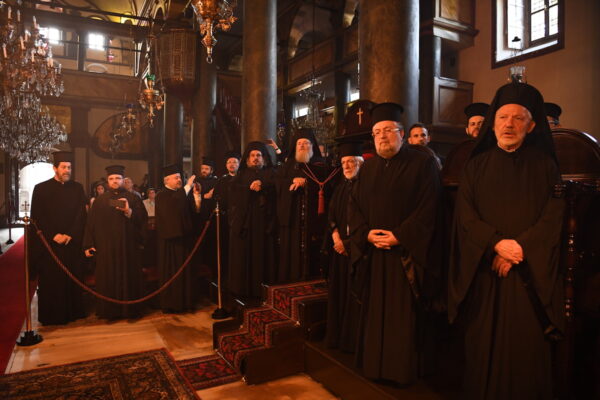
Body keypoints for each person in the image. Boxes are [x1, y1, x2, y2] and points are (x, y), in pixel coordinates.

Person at [448, 82, 565, 399]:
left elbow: (553, 215)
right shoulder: (475, 166)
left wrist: (520, 247)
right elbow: (466, 216)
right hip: (486, 270)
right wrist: (497, 245)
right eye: (502, 117)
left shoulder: (546, 166)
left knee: (526, 344)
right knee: (482, 340)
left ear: (532, 125)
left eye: (518, 118)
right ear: (492, 123)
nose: (509, 124)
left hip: (529, 273)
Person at [348, 102, 441, 385]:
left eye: (388, 130)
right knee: (375, 313)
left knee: (402, 316)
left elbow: (430, 207)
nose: (382, 137)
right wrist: (366, 234)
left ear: (401, 133)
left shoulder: (423, 163)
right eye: (377, 132)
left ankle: (400, 372)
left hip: (406, 255)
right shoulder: (368, 168)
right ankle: (374, 366)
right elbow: (355, 207)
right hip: (374, 255)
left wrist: (400, 235)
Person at [30, 151, 87, 325]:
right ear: (55, 168)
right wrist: (53, 235)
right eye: (63, 167)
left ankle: (74, 313)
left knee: (72, 278)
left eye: (69, 167)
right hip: (51, 244)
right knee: (52, 281)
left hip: (71, 243)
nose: (67, 170)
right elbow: (37, 217)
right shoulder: (41, 189)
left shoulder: (78, 188)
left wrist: (70, 234)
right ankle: (53, 316)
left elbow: (81, 215)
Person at [83, 165, 148, 320]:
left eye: (118, 178)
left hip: (128, 248)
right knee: (108, 278)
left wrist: (128, 211)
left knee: (128, 278)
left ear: (123, 180)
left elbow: (142, 220)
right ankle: (109, 312)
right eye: (111, 178)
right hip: (106, 249)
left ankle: (130, 311)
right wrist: (88, 244)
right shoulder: (100, 201)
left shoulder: (133, 198)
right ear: (107, 181)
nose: (114, 181)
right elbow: (90, 223)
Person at [276, 128, 339, 282]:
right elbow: (277, 184)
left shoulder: (321, 164)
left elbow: (329, 187)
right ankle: (291, 278)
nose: (303, 146)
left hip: (314, 218)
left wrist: (307, 182)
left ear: (312, 146)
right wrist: (292, 181)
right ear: (295, 146)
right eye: (300, 143)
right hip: (293, 217)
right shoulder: (288, 165)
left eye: (306, 143)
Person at [324, 141, 363, 352]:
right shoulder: (341, 188)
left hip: (357, 251)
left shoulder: (366, 188)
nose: (347, 166)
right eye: (344, 162)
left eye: (351, 162)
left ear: (360, 163)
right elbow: (331, 216)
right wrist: (336, 237)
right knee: (339, 294)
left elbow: (368, 220)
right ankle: (337, 337)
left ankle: (351, 341)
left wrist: (347, 243)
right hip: (340, 249)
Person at [228, 142, 278, 299]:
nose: (256, 158)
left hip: (265, 224)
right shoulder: (241, 175)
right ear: (247, 159)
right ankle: (244, 290)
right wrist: (249, 188)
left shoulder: (271, 173)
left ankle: (265, 290)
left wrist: (264, 185)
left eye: (259, 155)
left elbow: (278, 189)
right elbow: (234, 194)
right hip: (247, 224)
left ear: (264, 158)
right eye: (252, 155)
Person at [155, 165, 201, 313]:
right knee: (173, 273)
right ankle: (172, 304)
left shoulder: (182, 194)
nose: (179, 180)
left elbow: (195, 212)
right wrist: (188, 186)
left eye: (180, 177)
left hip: (185, 240)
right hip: (171, 243)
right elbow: (173, 207)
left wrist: (196, 195)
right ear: (166, 181)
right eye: (176, 178)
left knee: (186, 272)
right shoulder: (162, 195)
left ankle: (187, 302)